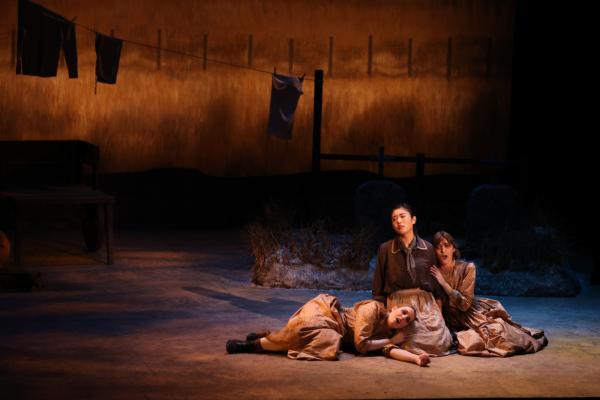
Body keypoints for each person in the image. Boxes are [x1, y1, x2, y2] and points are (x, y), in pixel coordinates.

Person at [226, 293, 430, 366]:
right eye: (403, 312)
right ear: (394, 307)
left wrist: (416, 359)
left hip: (334, 334)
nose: (402, 317)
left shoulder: (386, 335)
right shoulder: (374, 308)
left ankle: (265, 338)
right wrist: (389, 342)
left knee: (322, 342)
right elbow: (361, 344)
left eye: (406, 319)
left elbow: (391, 350)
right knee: (308, 329)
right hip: (329, 313)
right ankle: (253, 345)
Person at [430, 230, 548, 357]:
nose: (443, 250)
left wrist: (443, 283)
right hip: (451, 318)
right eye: (438, 247)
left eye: (446, 246)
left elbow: (465, 305)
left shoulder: (467, 268)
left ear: (453, 248)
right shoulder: (433, 271)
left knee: (497, 336)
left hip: (471, 314)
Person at [372, 203, 452, 356]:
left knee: (437, 342)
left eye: (402, 217)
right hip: (399, 303)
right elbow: (378, 284)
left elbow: (435, 284)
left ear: (413, 220)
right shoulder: (385, 249)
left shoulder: (427, 248)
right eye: (394, 219)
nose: (399, 221)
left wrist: (439, 313)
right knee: (407, 341)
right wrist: (381, 315)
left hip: (425, 303)